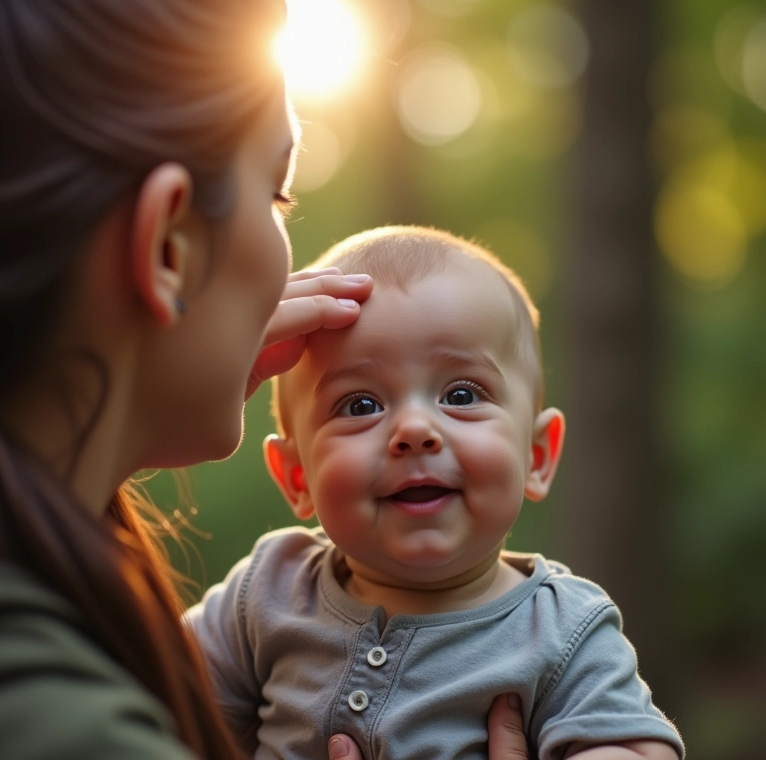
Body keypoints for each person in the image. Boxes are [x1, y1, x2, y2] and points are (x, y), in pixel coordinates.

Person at [0, 0, 531, 758]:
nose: (415, 429)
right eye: (277, 191)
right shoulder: (69, 723)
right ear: (169, 247)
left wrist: (132, 407)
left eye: (459, 396)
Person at [187, 226, 686, 760]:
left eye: (462, 394)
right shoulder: (269, 590)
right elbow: (144, 690)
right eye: (360, 405)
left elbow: (634, 749)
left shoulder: (562, 629)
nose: (415, 429)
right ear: (296, 477)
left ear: (536, 457)